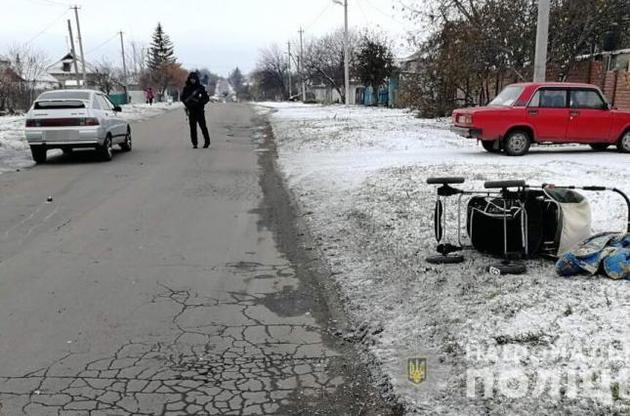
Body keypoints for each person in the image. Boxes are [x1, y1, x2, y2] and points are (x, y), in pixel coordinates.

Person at [181, 72, 211, 149]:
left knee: (203, 126)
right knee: (192, 127)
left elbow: (206, 98)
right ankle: (194, 143)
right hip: (191, 110)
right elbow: (183, 98)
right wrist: (187, 104)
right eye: (191, 79)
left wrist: (201, 102)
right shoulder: (186, 88)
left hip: (199, 110)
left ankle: (207, 142)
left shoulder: (200, 88)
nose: (192, 80)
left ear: (196, 79)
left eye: (194, 79)